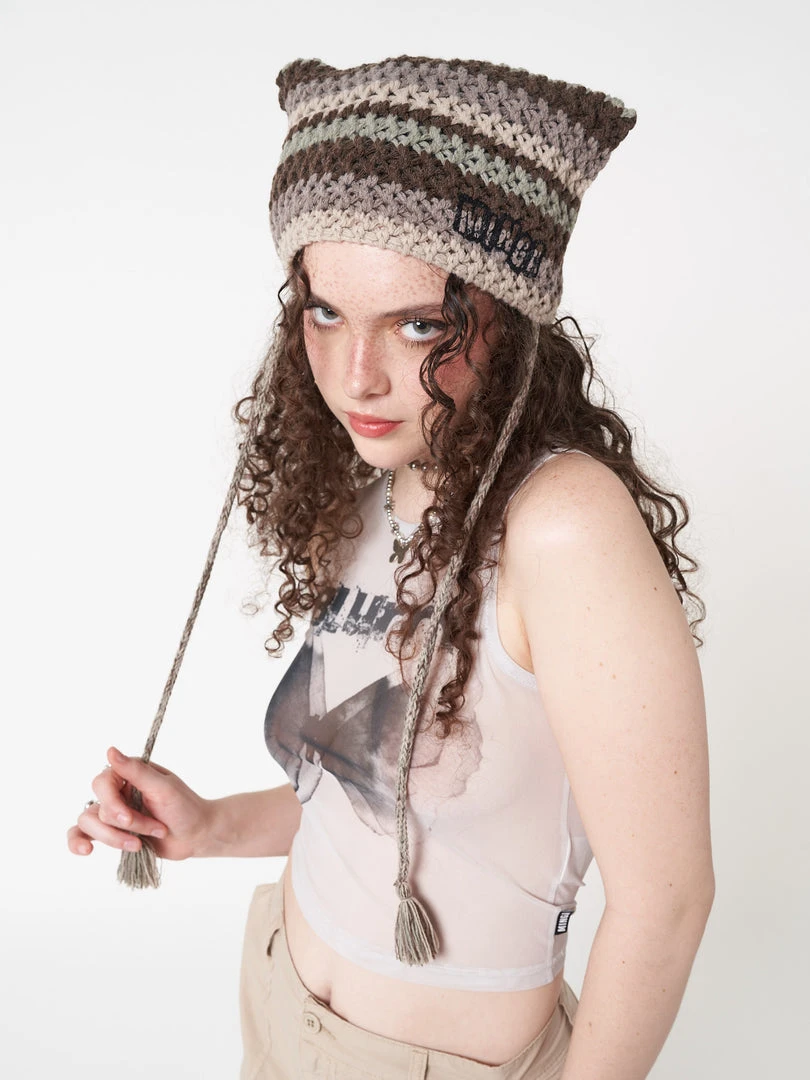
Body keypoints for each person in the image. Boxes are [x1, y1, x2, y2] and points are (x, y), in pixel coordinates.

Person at [67, 56, 715, 1079]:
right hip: (278, 993)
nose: (356, 377)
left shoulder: (561, 526)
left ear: (509, 322)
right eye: (325, 312)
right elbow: (374, 804)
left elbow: (667, 904)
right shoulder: (383, 480)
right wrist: (210, 825)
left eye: (419, 324)